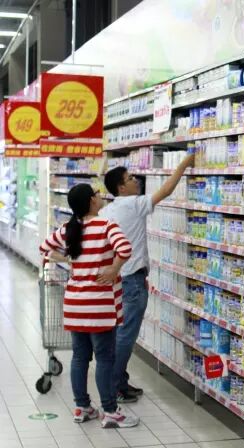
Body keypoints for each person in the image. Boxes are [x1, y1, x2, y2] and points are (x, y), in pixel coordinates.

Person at [39, 184, 138, 428]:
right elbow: (125, 249)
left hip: (75, 304)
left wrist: (71, 261)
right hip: (100, 306)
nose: (99, 195)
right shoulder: (106, 226)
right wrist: (113, 269)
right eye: (96, 193)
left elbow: (44, 248)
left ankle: (82, 407)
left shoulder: (69, 228)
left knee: (79, 357)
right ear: (92, 201)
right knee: (104, 358)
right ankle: (110, 411)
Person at [101, 150, 194, 402]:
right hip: (131, 280)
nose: (136, 181)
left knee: (120, 332)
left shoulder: (107, 211)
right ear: (121, 188)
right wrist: (184, 164)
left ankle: (118, 381)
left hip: (119, 279)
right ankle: (113, 385)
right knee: (126, 335)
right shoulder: (133, 203)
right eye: (130, 178)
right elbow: (165, 191)